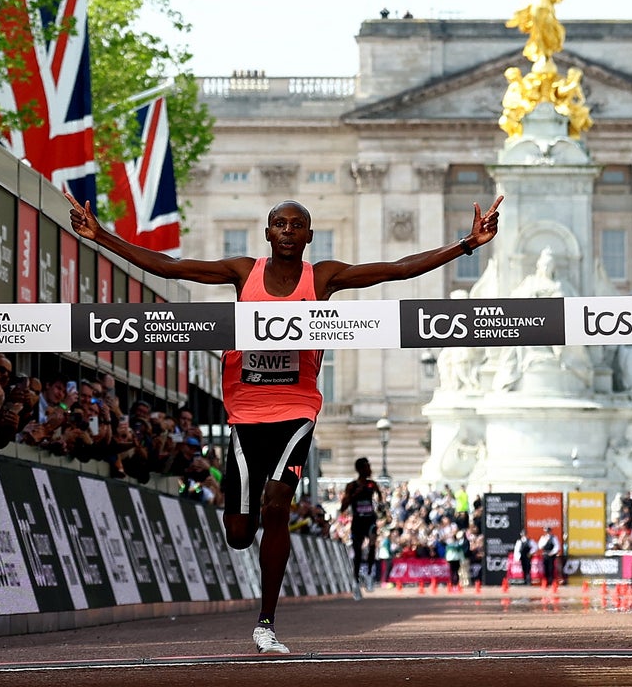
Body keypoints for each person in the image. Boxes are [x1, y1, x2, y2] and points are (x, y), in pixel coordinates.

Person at [67, 190, 501, 653]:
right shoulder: (243, 272)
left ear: (309, 236)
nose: (288, 231)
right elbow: (171, 267)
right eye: (281, 224)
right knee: (239, 534)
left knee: (278, 506)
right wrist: (101, 236)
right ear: (268, 233)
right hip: (244, 412)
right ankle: (249, 512)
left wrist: (466, 244)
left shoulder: (323, 277)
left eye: (297, 225)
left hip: (297, 409)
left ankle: (266, 622)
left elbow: (396, 269)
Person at [339, 457, 384, 599]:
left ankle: (370, 574)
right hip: (358, 521)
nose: (369, 469)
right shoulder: (351, 486)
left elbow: (381, 499)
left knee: (372, 545)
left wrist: (381, 506)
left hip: (370, 520)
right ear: (359, 469)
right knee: (357, 553)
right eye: (366, 467)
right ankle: (356, 582)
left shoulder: (372, 484)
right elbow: (343, 507)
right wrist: (354, 495)